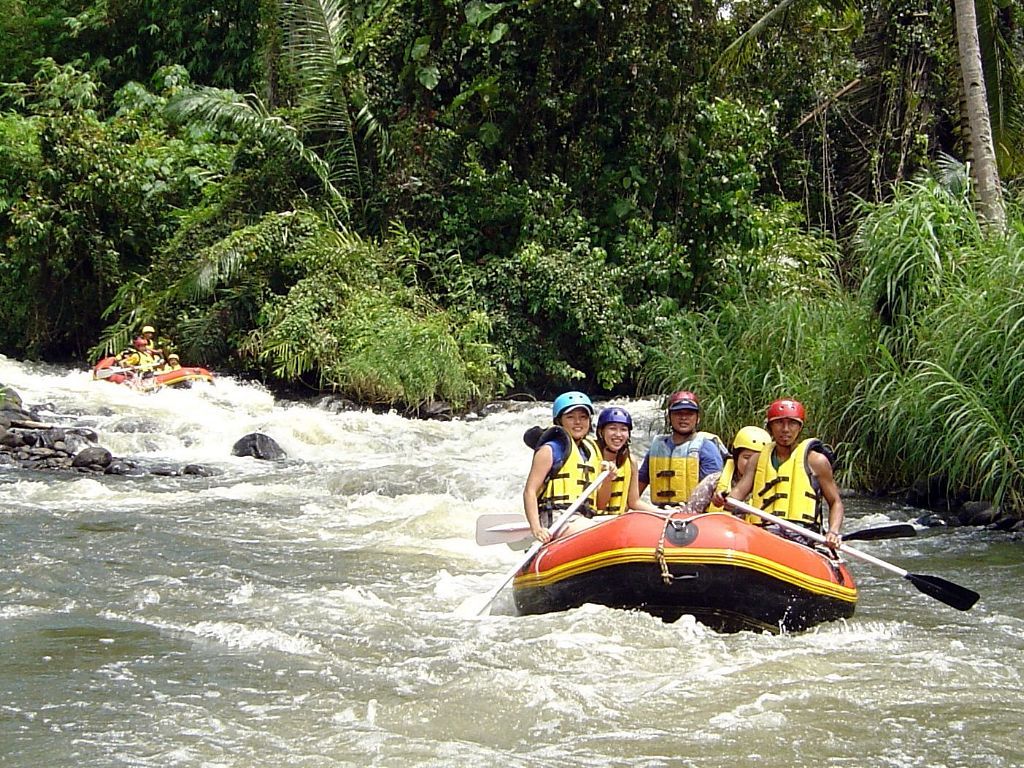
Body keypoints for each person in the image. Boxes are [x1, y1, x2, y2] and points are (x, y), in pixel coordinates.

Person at [713, 398, 845, 549]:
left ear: (800, 427)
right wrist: (723, 499)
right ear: (770, 427)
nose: (785, 429)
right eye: (779, 423)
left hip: (801, 535)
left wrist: (833, 532)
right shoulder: (757, 460)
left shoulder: (816, 461)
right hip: (762, 532)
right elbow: (738, 492)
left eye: (792, 423)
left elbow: (836, 503)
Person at [523, 391, 611, 543]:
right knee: (601, 535)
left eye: (583, 417)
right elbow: (529, 491)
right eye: (570, 417)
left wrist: (609, 478)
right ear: (559, 421)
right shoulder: (550, 450)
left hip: (584, 517)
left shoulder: (592, 452)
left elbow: (601, 504)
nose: (578, 422)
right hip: (557, 518)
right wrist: (536, 529)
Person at [637, 390, 728, 508]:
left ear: (698, 418)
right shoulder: (658, 447)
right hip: (661, 512)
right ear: (669, 417)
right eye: (678, 413)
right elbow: (637, 488)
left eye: (689, 414)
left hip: (697, 514)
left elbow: (714, 491)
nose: (684, 418)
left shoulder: (707, 448)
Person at [592, 406, 663, 515]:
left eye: (623, 429)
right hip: (593, 519)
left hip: (617, 519)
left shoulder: (630, 461)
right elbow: (598, 503)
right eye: (612, 428)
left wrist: (665, 513)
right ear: (601, 432)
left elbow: (634, 502)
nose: (618, 434)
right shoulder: (590, 456)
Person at [708, 425, 771, 516]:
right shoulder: (714, 481)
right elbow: (691, 511)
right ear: (736, 457)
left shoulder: (770, 487)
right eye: (747, 457)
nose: (751, 464)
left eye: (758, 459)